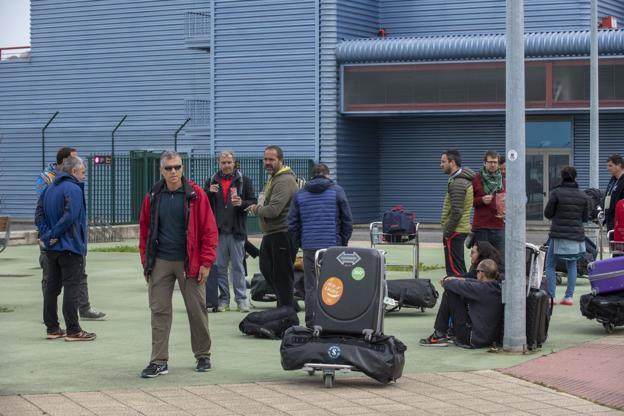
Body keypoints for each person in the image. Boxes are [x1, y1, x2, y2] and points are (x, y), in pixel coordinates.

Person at [138, 151, 218, 378]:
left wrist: (206, 263)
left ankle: (203, 355)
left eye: (177, 167)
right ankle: (158, 361)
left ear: (182, 168)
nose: (174, 172)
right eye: (169, 168)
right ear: (161, 171)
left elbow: (210, 231)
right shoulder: (153, 196)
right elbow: (144, 231)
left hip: (190, 263)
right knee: (159, 311)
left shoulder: (195, 195)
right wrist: (146, 262)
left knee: (197, 310)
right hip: (161, 261)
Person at [36, 147, 107, 321]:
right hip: (59, 240)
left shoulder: (73, 183)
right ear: (66, 163)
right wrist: (49, 235)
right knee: (52, 280)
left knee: (78, 274)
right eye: (74, 159)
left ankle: (83, 308)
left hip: (67, 238)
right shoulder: (48, 180)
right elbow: (47, 211)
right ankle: (60, 321)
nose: (80, 163)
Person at [288, 163, 353, 327]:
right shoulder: (337, 191)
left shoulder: (300, 194)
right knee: (334, 283)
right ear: (327, 175)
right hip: (332, 246)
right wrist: (343, 242)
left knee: (311, 285)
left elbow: (292, 224)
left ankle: (311, 321)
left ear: (312, 175)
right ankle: (333, 319)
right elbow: (347, 220)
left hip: (309, 246)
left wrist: (300, 243)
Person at [204, 150, 257, 312]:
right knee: (220, 268)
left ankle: (241, 300)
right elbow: (202, 203)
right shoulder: (212, 181)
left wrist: (241, 203)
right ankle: (224, 300)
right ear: (219, 163)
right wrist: (208, 193)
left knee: (238, 268)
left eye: (229, 162)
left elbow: (252, 202)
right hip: (218, 232)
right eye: (223, 162)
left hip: (237, 231)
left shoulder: (244, 181)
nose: (226, 165)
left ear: (234, 163)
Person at [248, 145, 298, 308]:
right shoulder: (274, 178)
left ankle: (286, 311)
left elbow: (273, 210)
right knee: (266, 268)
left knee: (282, 276)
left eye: (271, 159)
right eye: (265, 159)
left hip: (282, 233)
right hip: (272, 234)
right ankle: (290, 304)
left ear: (280, 161)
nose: (267, 162)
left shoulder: (284, 181)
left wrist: (256, 208)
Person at [420, 259, 502, 348]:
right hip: (487, 339)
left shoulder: (481, 289)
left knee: (450, 293)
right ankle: (449, 332)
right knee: (462, 296)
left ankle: (439, 334)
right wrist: (460, 278)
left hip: (471, 338)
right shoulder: (495, 287)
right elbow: (473, 283)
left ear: (481, 273)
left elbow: (449, 284)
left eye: (476, 272)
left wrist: (447, 280)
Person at [544, 166, 589, 306]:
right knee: (572, 264)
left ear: (562, 177)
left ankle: (551, 297)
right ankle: (568, 297)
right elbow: (585, 218)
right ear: (575, 177)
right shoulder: (583, 196)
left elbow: (548, 213)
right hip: (576, 235)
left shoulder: (556, 193)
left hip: (558, 234)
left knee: (550, 265)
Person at [440, 149, 475, 276]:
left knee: (455, 271)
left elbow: (456, 212)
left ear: (452, 162)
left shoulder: (458, 183)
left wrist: (448, 232)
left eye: (443, 161)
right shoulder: (457, 180)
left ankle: (459, 294)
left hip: (455, 231)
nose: (441, 165)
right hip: (458, 230)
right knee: (458, 266)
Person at [472, 150, 505, 257]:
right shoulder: (476, 179)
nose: (493, 164)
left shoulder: (503, 181)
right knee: (481, 259)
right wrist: (481, 200)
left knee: (500, 260)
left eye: (495, 162)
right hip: (482, 227)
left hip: (499, 226)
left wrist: (506, 209)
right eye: (490, 162)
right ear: (484, 163)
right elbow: (467, 202)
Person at [604, 154, 624, 234]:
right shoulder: (613, 180)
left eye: (610, 166)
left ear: (619, 165)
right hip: (610, 220)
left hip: (620, 220)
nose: (608, 168)